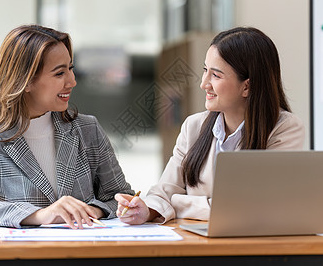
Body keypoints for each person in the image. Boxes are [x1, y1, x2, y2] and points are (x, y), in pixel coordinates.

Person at [0, 24, 134, 228]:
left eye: (70, 69)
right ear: (25, 81)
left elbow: (122, 198)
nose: (72, 81)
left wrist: (92, 211)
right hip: (20, 258)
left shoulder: (87, 129)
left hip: (81, 255)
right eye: (59, 73)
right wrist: (40, 215)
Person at [115, 27, 305, 224]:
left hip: (255, 248)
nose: (204, 83)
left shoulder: (285, 129)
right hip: (197, 245)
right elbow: (164, 192)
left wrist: (178, 204)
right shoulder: (194, 126)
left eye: (216, 75)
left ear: (247, 86)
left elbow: (253, 208)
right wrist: (145, 210)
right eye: (205, 70)